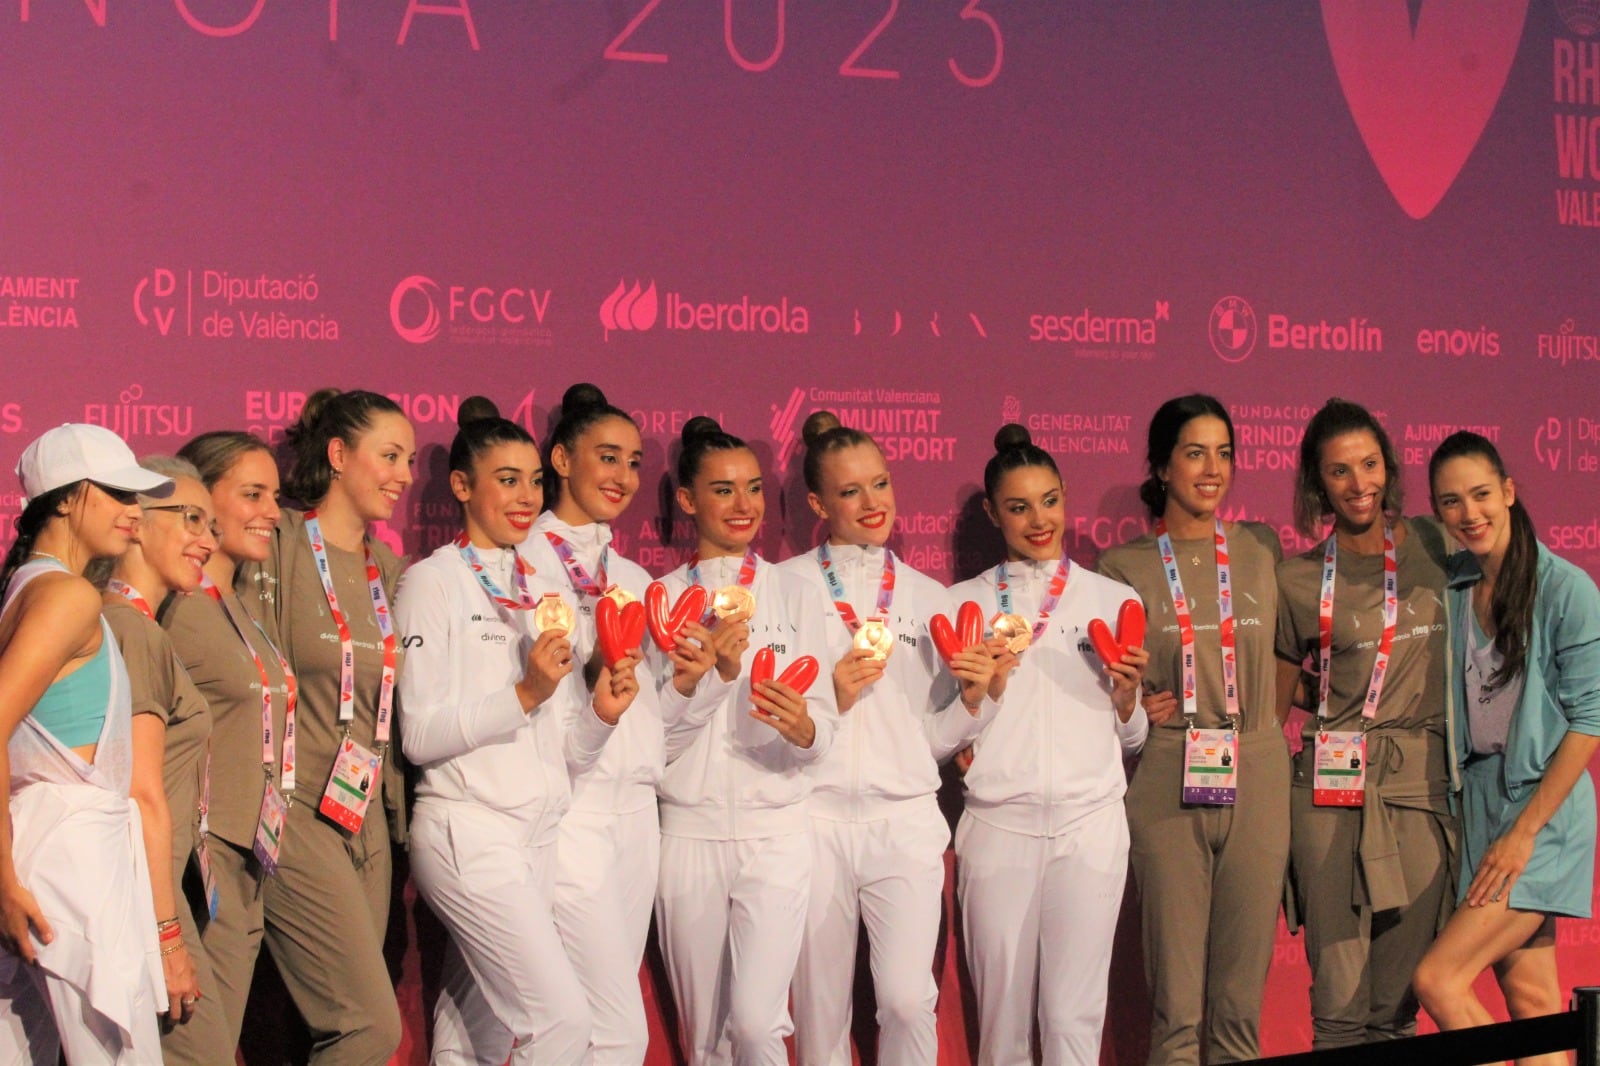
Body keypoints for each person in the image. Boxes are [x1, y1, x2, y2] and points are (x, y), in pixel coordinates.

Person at [397, 397, 639, 1063]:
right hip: (467, 830)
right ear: (462, 486)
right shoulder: (431, 583)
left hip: (539, 835)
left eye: (534, 479)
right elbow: (417, 734)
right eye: (507, 479)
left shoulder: (543, 587)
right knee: (560, 1024)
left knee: (481, 1035)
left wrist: (602, 716)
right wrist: (525, 692)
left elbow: (565, 752)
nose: (527, 495)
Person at [776, 411, 993, 1066]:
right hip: (812, 819)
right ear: (817, 503)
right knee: (819, 1010)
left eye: (881, 484)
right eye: (850, 492)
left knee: (905, 1000)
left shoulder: (932, 598)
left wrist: (977, 700)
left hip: (903, 820)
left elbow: (931, 737)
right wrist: (833, 699)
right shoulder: (783, 588)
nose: (872, 504)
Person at [1097, 394, 1288, 1066]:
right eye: (1194, 452)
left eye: (1224, 452)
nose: (1213, 468)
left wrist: (1269, 724)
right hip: (1170, 773)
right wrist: (1134, 703)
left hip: (1259, 766)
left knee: (1240, 1008)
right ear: (1161, 466)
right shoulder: (1123, 567)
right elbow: (1112, 686)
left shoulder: (1261, 546)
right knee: (1176, 1009)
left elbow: (1290, 652)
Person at [950, 424, 1148, 1066]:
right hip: (998, 828)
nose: (1040, 520)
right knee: (1002, 1026)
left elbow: (1132, 734)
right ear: (992, 513)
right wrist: (978, 701)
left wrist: (1125, 702)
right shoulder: (962, 605)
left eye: (1051, 500)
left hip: (1090, 828)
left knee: (1072, 1020)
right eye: (1018, 506)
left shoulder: (1115, 601)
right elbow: (944, 733)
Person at [653, 415, 839, 1066]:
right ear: (686, 500)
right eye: (724, 490)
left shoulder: (796, 593)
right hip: (687, 838)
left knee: (759, 1026)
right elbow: (653, 746)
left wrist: (804, 727)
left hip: (777, 833)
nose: (744, 506)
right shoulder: (660, 599)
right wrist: (705, 682)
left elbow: (825, 732)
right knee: (704, 1041)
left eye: (754, 489)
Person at [1413, 432, 1600, 1066]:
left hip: (1542, 814)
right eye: (1452, 502)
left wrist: (1523, 833)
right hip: (1482, 803)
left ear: (1511, 493)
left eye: (1482, 494)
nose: (1471, 514)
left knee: (1438, 980)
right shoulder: (1457, 585)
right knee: (1532, 1002)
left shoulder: (1567, 589)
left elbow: (1590, 722)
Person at [239, 388, 414, 1064]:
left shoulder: (390, 571)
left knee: (350, 1027)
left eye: (409, 459)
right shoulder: (276, 543)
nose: (402, 474)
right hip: (295, 809)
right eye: (389, 455)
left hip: (365, 821)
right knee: (366, 1025)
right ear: (339, 455)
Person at [1273, 399, 1455, 1048]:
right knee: (1341, 1012)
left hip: (1420, 790)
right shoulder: (1297, 579)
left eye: (1370, 464)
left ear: (1390, 464)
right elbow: (1271, 688)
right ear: (1317, 483)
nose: (1360, 484)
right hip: (1329, 794)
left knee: (1397, 1011)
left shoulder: (1438, 543)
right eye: (1341, 471)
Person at [0, 423, 173, 1063]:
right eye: (119, 495)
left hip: (51, 858)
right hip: (69, 868)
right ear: (67, 499)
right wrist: (4, 879)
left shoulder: (29, 587)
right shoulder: (67, 595)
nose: (135, 514)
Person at [517, 383, 664, 1064]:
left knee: (592, 1022)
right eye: (608, 457)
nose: (624, 478)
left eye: (635, 462)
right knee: (614, 1031)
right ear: (562, 461)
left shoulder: (633, 576)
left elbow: (655, 710)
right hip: (570, 808)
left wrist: (697, 680)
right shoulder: (524, 561)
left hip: (638, 813)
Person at [162, 430, 294, 1052]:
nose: (272, 510)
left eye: (274, 493)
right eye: (252, 494)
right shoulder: (176, 610)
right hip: (200, 866)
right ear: (202, 502)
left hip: (250, 861)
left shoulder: (236, 603)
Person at [97, 457, 227, 1060]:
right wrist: (167, 936)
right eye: (192, 518)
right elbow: (138, 792)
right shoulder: (134, 632)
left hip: (149, 896)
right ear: (138, 522)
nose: (207, 538)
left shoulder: (134, 626)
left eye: (211, 525)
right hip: (146, 903)